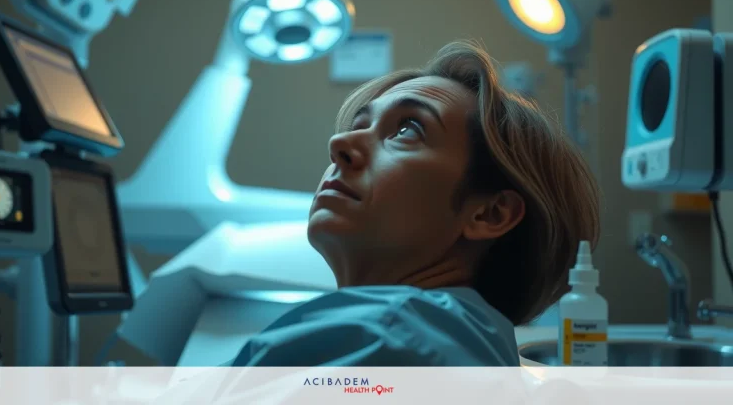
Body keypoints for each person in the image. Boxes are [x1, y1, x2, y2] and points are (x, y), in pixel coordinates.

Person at [230, 40, 601, 366]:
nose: (340, 144)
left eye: (407, 130)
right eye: (358, 125)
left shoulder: (388, 341)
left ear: (490, 213)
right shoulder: (436, 339)